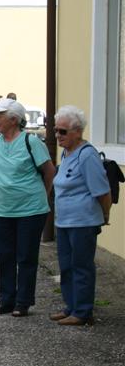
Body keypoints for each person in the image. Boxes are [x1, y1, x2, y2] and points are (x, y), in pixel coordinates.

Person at [0, 97, 56, 317]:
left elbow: (49, 171)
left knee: (25, 257)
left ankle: (23, 302)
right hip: (1, 209)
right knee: (5, 256)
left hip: (30, 210)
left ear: (14, 119)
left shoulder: (31, 142)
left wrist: (43, 195)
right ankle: (6, 300)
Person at [51, 105, 112, 326]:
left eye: (63, 131)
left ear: (77, 131)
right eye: (56, 131)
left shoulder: (87, 156)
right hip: (65, 221)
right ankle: (71, 306)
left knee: (82, 266)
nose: (58, 135)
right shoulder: (67, 153)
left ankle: (83, 311)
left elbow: (103, 191)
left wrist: (104, 214)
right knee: (66, 266)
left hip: (83, 222)